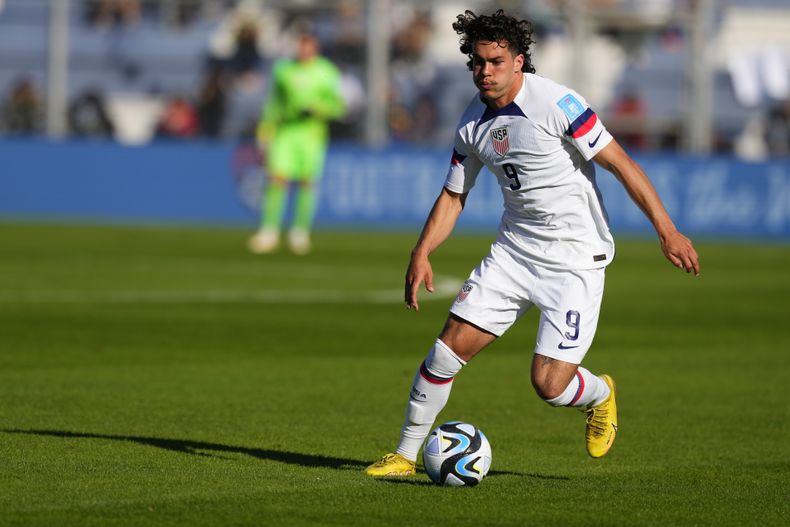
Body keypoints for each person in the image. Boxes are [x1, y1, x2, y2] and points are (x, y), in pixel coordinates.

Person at [366, 9, 700, 477]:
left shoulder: (558, 104)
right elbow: (453, 193)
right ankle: (403, 455)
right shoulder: (471, 124)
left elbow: (621, 163)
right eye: (478, 62)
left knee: (548, 384)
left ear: (519, 61)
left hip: (574, 259)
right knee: (445, 351)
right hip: (514, 252)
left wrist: (666, 229)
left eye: (496, 61)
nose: (485, 71)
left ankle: (600, 394)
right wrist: (422, 252)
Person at [247, 32, 345, 255]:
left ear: (315, 49)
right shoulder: (283, 70)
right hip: (286, 131)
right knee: (277, 179)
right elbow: (274, 102)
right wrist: (265, 127)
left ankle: (299, 232)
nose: (304, 52)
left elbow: (338, 106)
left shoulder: (326, 71)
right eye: (301, 48)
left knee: (307, 183)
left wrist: (319, 108)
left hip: (312, 134)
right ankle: (269, 231)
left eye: (308, 48)